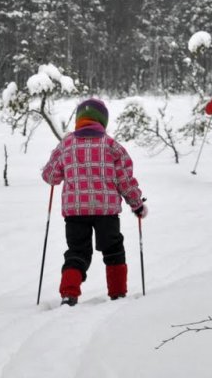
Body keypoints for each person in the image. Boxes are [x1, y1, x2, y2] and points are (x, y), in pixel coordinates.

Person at [40, 97, 147, 306]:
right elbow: (125, 181)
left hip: (75, 212)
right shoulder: (112, 146)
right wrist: (137, 204)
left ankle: (69, 294)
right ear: (102, 121)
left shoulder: (66, 144)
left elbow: (50, 176)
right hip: (106, 212)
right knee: (113, 249)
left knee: (77, 252)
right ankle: (117, 293)